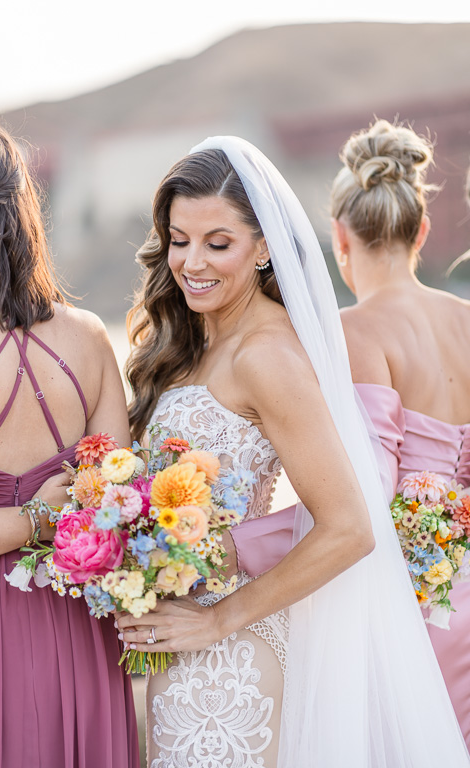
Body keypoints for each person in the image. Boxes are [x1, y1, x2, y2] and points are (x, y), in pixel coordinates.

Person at [117, 135, 469, 767]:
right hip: (180, 644)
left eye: (217, 243)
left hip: (231, 661)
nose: (191, 261)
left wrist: (220, 618)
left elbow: (351, 527)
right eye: (178, 239)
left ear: (263, 248)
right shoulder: (193, 344)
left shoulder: (267, 355)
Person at [218, 119, 470, 749]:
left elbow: (365, 493)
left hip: (414, 609)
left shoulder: (356, 333)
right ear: (422, 231)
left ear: (339, 236)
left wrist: (233, 548)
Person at [0, 122, 139, 768]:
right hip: (74, 637)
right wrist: (43, 516)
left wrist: (30, 518)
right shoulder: (90, 338)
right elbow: (119, 511)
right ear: (24, 212)